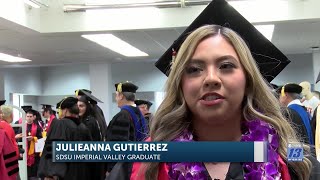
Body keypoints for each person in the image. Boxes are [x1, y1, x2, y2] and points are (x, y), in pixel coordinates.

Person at [126, 0, 320, 179]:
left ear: (248, 79)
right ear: (180, 84)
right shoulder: (147, 161)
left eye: (226, 66)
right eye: (194, 69)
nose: (211, 78)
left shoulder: (294, 157)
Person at [37, 97, 92, 180]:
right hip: (81, 173)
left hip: (65, 175)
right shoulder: (83, 127)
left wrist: (51, 175)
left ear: (65, 110)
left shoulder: (60, 125)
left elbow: (54, 152)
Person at [106, 82, 148, 173]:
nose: (116, 98)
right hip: (137, 166)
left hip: (124, 169)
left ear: (121, 96)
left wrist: (111, 170)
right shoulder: (139, 114)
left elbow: (118, 147)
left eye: (116, 95)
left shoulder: (123, 116)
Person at [78, 94, 105, 180]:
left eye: (81, 106)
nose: (78, 108)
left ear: (88, 107)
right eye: (77, 106)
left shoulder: (89, 122)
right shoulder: (94, 119)